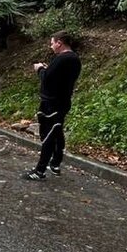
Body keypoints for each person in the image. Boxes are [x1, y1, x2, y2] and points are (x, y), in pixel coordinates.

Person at [22, 31, 81, 181]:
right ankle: (55, 162)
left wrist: (40, 69)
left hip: (52, 104)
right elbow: (58, 78)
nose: (51, 46)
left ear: (59, 43)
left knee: (48, 135)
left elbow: (47, 78)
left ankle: (39, 170)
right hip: (63, 101)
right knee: (57, 130)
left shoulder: (62, 59)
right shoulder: (74, 59)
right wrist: (48, 70)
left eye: (52, 43)